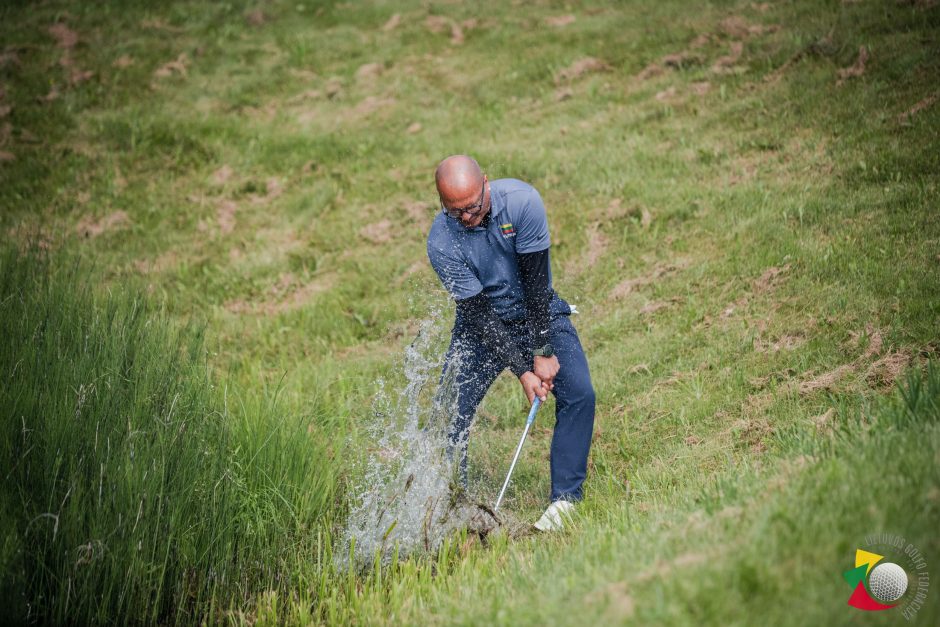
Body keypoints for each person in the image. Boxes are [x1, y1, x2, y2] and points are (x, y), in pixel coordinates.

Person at [426, 154, 595, 531]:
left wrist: (541, 352)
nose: (468, 218)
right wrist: (522, 371)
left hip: (537, 311)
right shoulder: (440, 242)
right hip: (481, 326)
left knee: (580, 393)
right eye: (457, 213)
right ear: (442, 205)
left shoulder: (522, 203)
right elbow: (477, 313)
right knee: (448, 415)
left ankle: (564, 501)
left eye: (473, 207)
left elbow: (536, 287)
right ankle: (452, 510)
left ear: (485, 183)